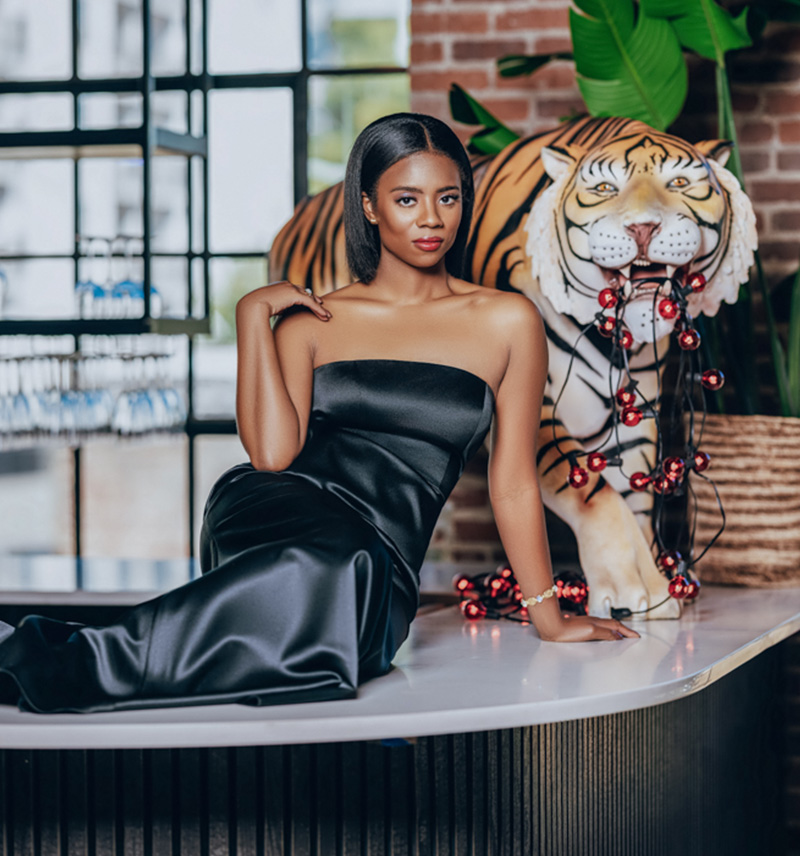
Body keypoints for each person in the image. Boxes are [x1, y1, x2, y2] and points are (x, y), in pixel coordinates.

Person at [0, 113, 638, 714]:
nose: (431, 219)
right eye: (407, 198)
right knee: (328, 560)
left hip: (380, 556)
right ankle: (58, 664)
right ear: (370, 205)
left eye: (448, 197)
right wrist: (254, 317)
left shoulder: (506, 321)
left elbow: (515, 482)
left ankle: (43, 654)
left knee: (344, 569)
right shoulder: (316, 319)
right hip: (274, 506)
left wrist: (546, 614)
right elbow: (272, 456)